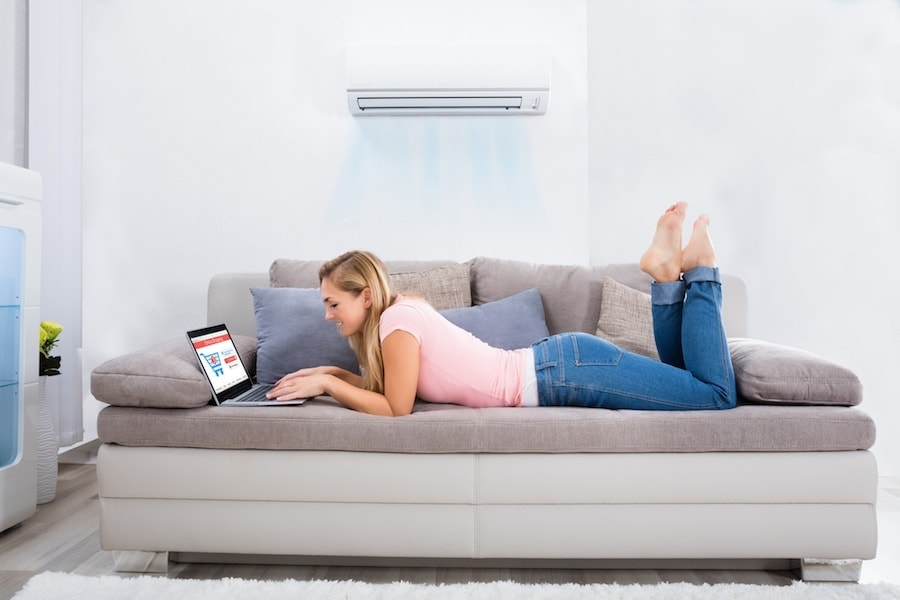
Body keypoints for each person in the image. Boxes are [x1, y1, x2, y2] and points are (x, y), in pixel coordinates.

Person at [266, 202, 737, 417]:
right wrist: (333, 371)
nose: (328, 315)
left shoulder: (397, 321)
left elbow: (395, 407)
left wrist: (329, 381)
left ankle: (702, 273)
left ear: (364, 296)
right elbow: (387, 387)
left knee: (715, 395)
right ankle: (666, 277)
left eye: (332, 303)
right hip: (561, 366)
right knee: (685, 382)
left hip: (566, 371)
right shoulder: (396, 319)